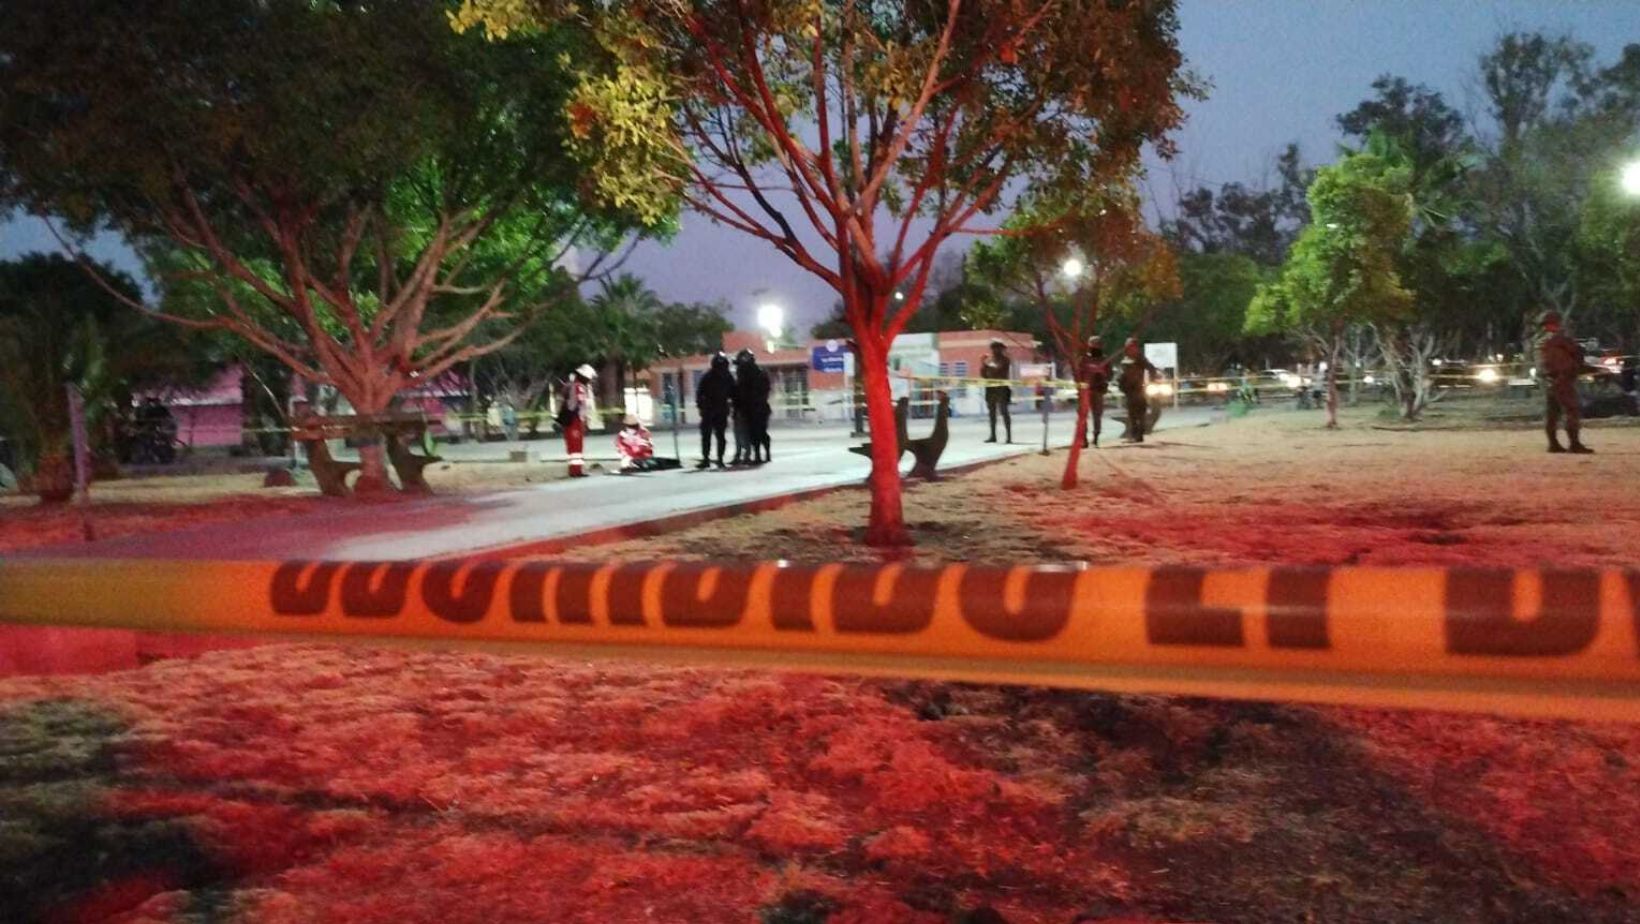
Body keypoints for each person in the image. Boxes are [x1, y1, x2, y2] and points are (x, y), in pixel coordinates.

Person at [1539, 311, 1593, 454]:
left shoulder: (1542, 341)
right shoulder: (1560, 340)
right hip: (1563, 379)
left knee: (1552, 413)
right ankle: (1574, 444)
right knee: (1572, 410)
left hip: (1550, 380)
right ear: (1557, 323)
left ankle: (1553, 444)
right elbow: (1576, 353)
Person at [732, 348, 773, 464]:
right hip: (756, 408)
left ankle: (760, 455)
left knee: (756, 432)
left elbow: (742, 393)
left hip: (754, 408)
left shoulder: (749, 375)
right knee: (758, 432)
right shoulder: (759, 373)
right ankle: (763, 455)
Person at [1115, 337, 1159, 443]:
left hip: (1138, 389)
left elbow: (1151, 369)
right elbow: (1122, 373)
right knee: (1132, 414)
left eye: (1132, 346)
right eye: (1129, 346)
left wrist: (1151, 382)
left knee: (1139, 413)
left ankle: (1138, 436)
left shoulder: (1140, 358)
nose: (1131, 348)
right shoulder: (1126, 357)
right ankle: (1136, 435)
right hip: (1128, 390)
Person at [557, 364, 597, 476]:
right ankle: (576, 470)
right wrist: (585, 419)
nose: (590, 380)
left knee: (572, 446)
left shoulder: (570, 385)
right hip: (575, 420)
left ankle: (574, 469)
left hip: (569, 420)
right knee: (576, 446)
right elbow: (580, 404)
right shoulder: (579, 387)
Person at [695, 352, 734, 469]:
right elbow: (700, 393)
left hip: (719, 409)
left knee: (718, 436)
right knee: (708, 436)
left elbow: (733, 393)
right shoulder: (709, 376)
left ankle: (718, 459)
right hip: (710, 410)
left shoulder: (727, 377)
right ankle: (707, 459)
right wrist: (701, 406)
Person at [1078, 336, 1112, 448]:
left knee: (1097, 415)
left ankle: (1096, 438)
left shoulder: (1104, 359)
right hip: (1085, 391)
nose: (1095, 347)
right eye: (1093, 344)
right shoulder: (1084, 359)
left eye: (1097, 344)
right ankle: (1084, 440)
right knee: (1083, 416)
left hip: (1098, 390)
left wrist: (1102, 374)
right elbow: (1078, 374)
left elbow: (1110, 375)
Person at [981, 339, 1013, 443]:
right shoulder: (989, 360)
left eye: (998, 348)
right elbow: (984, 375)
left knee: (1004, 412)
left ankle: (1008, 436)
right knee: (992, 413)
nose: (995, 350)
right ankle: (993, 435)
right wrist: (983, 364)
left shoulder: (1005, 360)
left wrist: (985, 364)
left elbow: (997, 370)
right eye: (994, 348)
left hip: (1002, 388)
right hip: (990, 389)